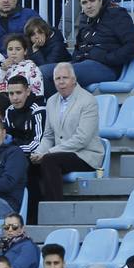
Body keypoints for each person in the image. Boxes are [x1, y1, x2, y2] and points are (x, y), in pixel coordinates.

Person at [29, 62, 102, 219]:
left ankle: (56, 213)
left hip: (85, 155)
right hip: (61, 154)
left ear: (74, 80)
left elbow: (82, 139)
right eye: (57, 78)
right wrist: (39, 152)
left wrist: (48, 152)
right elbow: (48, 135)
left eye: (65, 78)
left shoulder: (88, 101)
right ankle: (33, 217)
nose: (61, 82)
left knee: (49, 161)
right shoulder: (51, 101)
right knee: (30, 165)